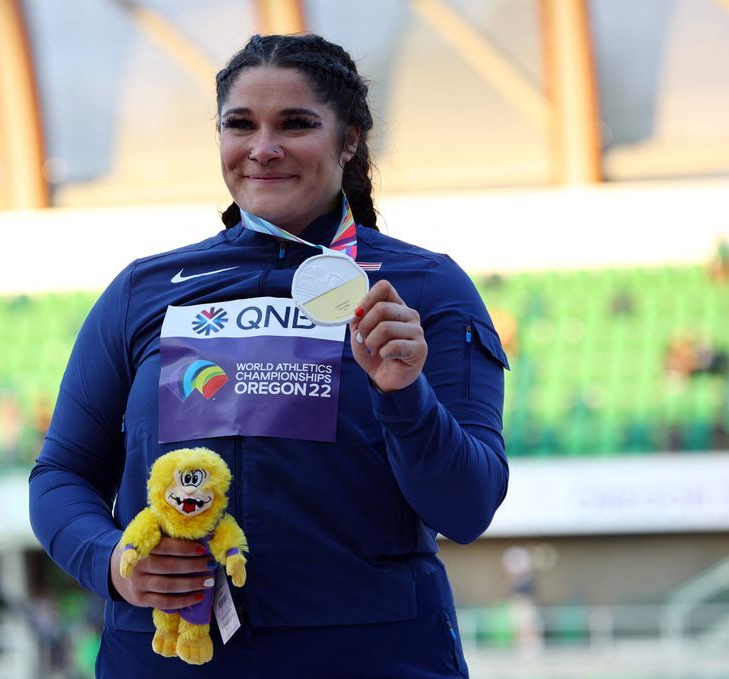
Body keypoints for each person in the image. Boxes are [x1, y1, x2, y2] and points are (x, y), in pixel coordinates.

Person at [29, 33, 509, 678]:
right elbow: (61, 475)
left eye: (296, 124)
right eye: (240, 125)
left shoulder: (422, 289)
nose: (263, 148)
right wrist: (112, 560)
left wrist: (406, 395)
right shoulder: (143, 291)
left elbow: (468, 506)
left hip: (371, 659)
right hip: (173, 657)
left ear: (350, 139)